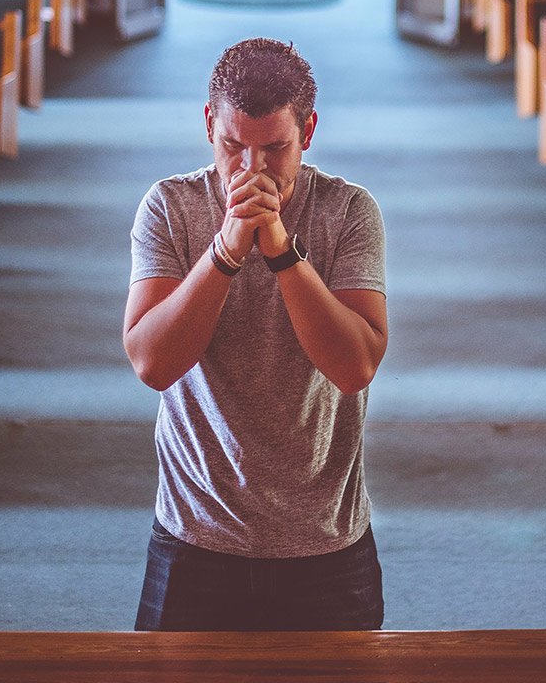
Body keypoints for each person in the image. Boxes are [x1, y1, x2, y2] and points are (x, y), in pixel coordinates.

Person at [123, 37, 388, 631]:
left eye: (275, 149)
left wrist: (281, 251)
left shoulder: (348, 212)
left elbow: (354, 368)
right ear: (209, 124)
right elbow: (152, 364)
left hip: (325, 542)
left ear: (309, 131)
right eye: (233, 147)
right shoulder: (169, 207)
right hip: (195, 535)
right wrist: (223, 251)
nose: (252, 170)